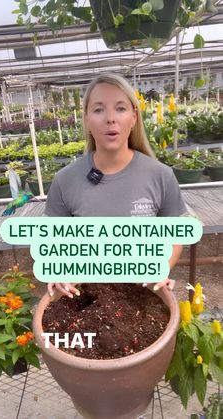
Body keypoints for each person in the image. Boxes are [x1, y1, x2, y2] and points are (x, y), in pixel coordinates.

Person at [45, 73, 187, 298]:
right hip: (86, 299)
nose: (110, 118)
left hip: (142, 294)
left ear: (134, 117)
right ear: (87, 120)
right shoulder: (65, 181)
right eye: (99, 109)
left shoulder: (161, 176)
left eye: (120, 108)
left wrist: (161, 268)